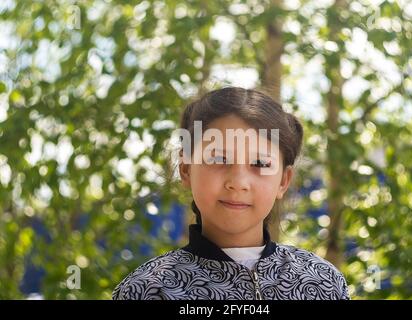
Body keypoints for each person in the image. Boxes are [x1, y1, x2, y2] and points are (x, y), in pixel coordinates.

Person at [112, 86, 349, 300]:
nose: (238, 182)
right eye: (218, 158)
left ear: (283, 181)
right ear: (186, 169)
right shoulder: (148, 290)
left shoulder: (322, 282)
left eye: (260, 163)